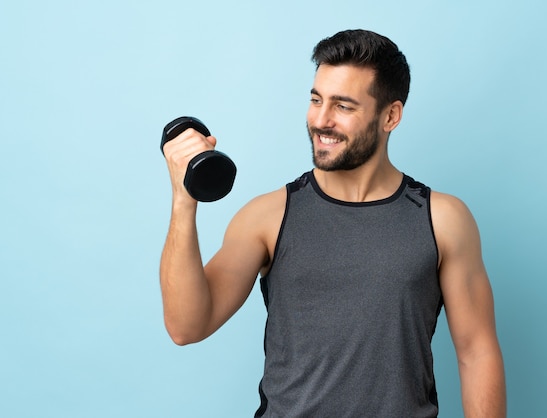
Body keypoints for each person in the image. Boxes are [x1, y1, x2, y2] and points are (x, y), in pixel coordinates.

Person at [160, 29, 506, 417]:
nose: (321, 120)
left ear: (390, 115)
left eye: (343, 106)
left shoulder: (442, 219)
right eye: (316, 99)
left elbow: (477, 352)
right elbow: (186, 326)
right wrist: (183, 200)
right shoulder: (267, 217)